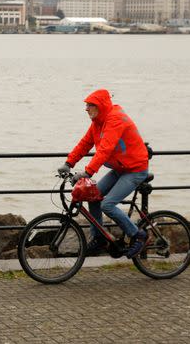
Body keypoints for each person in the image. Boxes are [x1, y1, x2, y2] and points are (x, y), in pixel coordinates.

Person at [59, 89, 149, 258]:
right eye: (86, 105)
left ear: (100, 106)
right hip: (120, 168)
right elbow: (85, 143)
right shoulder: (98, 122)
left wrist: (87, 173)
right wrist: (68, 163)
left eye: (90, 105)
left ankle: (138, 235)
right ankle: (99, 238)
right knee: (93, 196)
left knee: (107, 204)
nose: (86, 109)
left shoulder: (114, 120)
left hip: (135, 169)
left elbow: (105, 150)